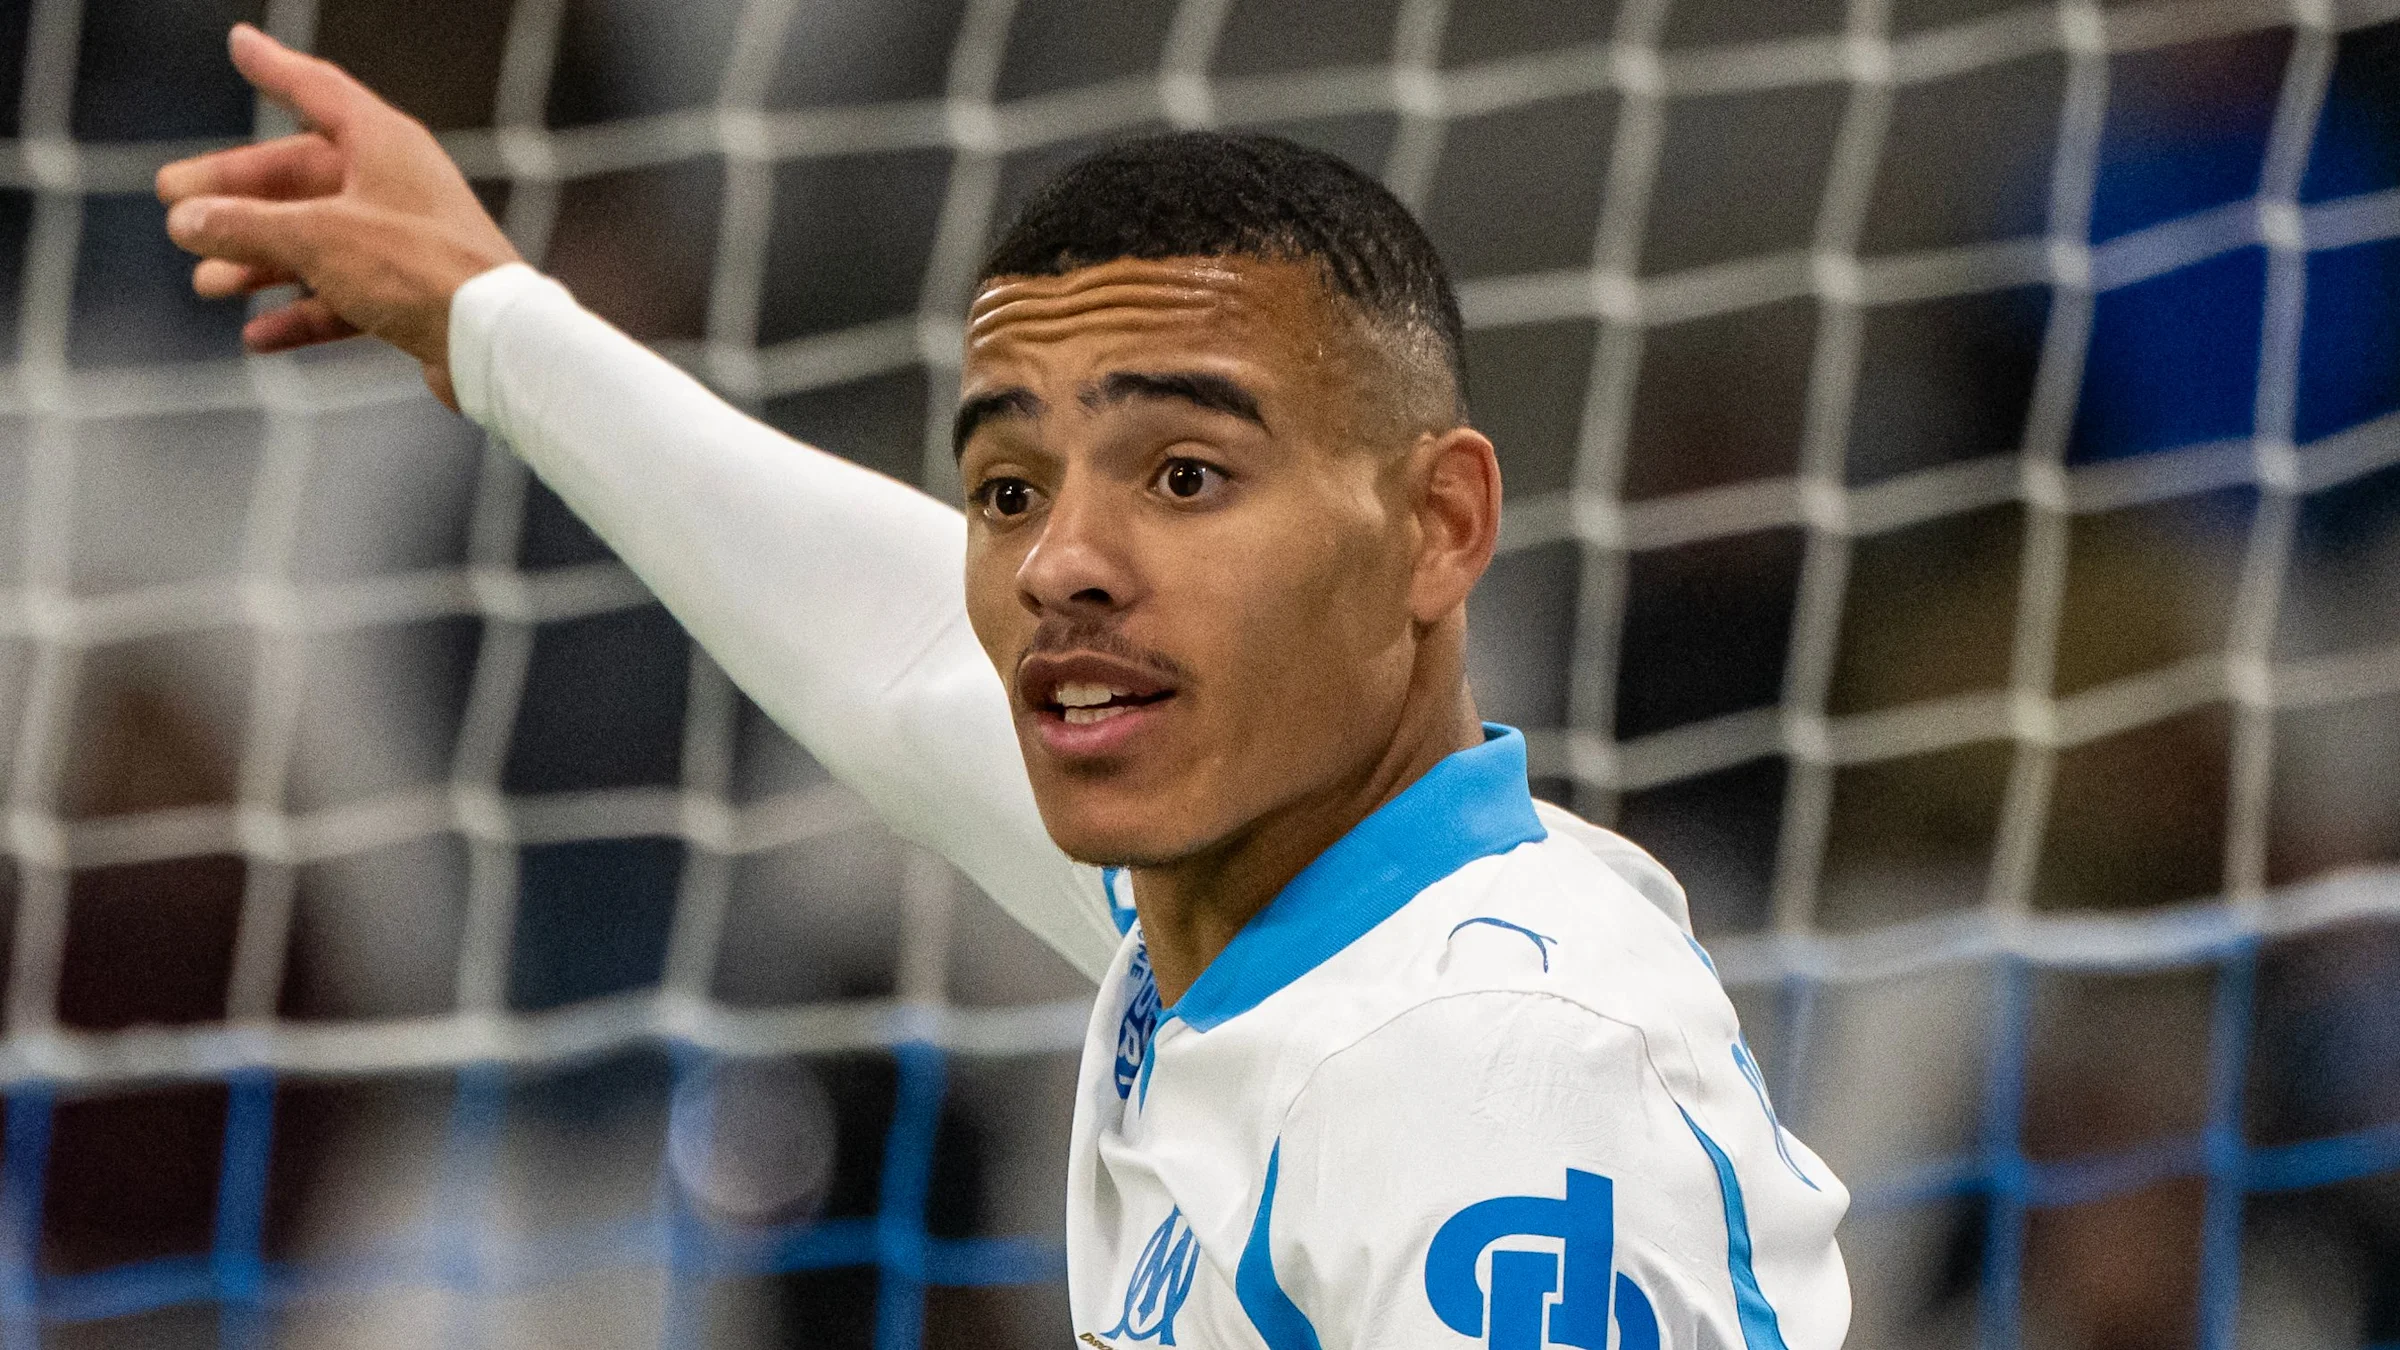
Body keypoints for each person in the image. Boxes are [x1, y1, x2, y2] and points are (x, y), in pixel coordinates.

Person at [159, 24, 1849, 1349]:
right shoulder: (1257, 905)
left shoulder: (1491, 1075)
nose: (1061, 566)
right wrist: (494, 322)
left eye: (1186, 475)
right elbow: (894, 653)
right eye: (1012, 491)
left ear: (1438, 528)